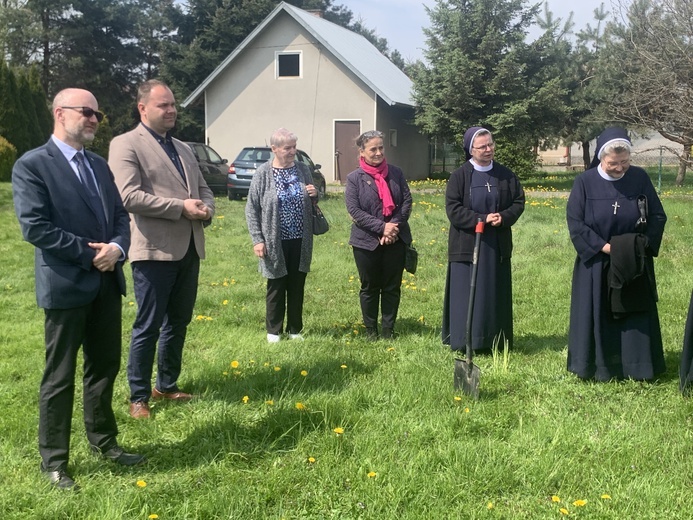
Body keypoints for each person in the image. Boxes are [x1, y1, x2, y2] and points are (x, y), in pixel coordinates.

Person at [12, 88, 145, 490]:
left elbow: (121, 216)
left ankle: (105, 442)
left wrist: (118, 248)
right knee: (60, 376)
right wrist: (91, 255)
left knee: (103, 369)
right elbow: (35, 227)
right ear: (60, 113)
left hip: (107, 284)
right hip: (67, 286)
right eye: (86, 112)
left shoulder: (99, 166)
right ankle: (54, 461)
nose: (93, 119)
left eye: (97, 114)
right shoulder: (32, 165)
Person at [109, 80, 215, 419]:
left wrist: (207, 210)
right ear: (142, 108)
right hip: (153, 251)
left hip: (188, 248)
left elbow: (205, 190)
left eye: (173, 105)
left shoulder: (183, 148)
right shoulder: (125, 144)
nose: (171, 111)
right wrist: (180, 207)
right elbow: (128, 196)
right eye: (163, 105)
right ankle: (138, 396)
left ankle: (166, 385)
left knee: (179, 322)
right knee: (149, 324)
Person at [566, 127, 666, 381]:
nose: (620, 168)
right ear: (601, 158)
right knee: (598, 313)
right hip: (598, 261)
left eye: (625, 162)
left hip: (633, 260)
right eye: (613, 163)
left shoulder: (639, 178)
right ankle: (599, 366)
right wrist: (605, 247)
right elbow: (576, 222)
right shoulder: (584, 182)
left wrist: (638, 247)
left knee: (634, 313)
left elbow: (657, 215)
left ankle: (637, 365)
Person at [442, 127, 525, 352]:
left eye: (491, 145)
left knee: (494, 293)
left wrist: (504, 217)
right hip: (467, 245)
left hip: (496, 245)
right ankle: (465, 340)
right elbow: (453, 209)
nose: (489, 150)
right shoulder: (459, 176)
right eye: (483, 147)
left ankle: (494, 340)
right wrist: (481, 218)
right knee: (468, 295)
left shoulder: (505, 174)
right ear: (471, 150)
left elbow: (518, 201)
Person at [245, 128, 319, 342]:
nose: (292, 151)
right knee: (276, 284)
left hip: (300, 238)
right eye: (287, 148)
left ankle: (295, 330)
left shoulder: (303, 169)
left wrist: (315, 194)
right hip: (273, 240)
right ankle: (273, 331)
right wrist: (257, 239)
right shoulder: (263, 173)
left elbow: (312, 200)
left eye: (294, 147)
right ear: (274, 149)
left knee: (297, 284)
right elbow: (252, 208)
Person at [345, 130, 412, 340]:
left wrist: (392, 226)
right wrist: (381, 228)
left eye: (381, 147)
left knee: (392, 287)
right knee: (369, 287)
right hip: (366, 242)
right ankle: (371, 330)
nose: (378, 153)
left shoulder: (396, 173)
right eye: (373, 149)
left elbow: (407, 203)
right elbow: (354, 210)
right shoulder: (354, 178)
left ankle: (388, 329)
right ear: (362, 152)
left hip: (396, 238)